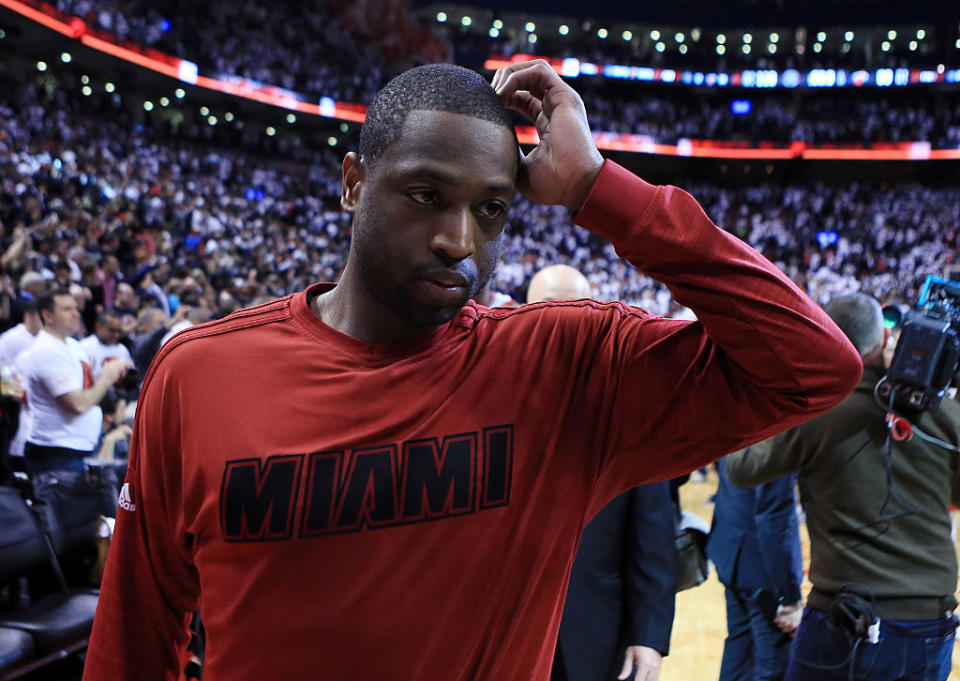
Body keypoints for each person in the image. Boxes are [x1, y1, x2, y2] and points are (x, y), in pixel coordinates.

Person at [83, 60, 861, 681]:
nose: (461, 238)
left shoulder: (562, 368)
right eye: (427, 194)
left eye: (491, 209)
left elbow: (813, 364)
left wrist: (599, 188)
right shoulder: (198, 374)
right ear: (354, 182)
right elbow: (134, 639)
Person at [725, 292, 960, 681]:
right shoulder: (943, 414)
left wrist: (782, 393)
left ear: (823, 336)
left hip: (842, 617)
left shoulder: (817, 411)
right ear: (885, 340)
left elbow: (741, 466)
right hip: (928, 619)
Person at [528, 266, 675, 681]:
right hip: (506, 633)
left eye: (571, 310)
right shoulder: (491, 395)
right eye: (546, 310)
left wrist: (648, 634)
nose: (558, 322)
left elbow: (652, 534)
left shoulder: (629, 407)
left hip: (594, 634)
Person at [16, 289, 131, 476]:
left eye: (76, 308)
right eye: (67, 309)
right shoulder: (47, 351)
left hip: (77, 448)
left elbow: (88, 390)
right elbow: (77, 404)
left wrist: (112, 377)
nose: (76, 313)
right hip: (57, 453)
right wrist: (107, 376)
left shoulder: (72, 345)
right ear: (48, 315)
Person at [707, 456, 803, 681]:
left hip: (731, 553)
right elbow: (774, 516)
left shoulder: (733, 420)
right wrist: (789, 597)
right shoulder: (774, 435)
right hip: (764, 569)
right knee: (771, 667)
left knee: (738, 656)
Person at [78, 308, 133, 379]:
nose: (116, 335)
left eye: (119, 331)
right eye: (112, 330)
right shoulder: (83, 346)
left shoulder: (122, 349)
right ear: (99, 327)